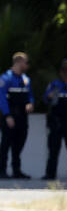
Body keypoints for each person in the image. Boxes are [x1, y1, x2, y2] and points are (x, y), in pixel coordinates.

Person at [0, 51, 34, 179]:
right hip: (9, 116)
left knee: (19, 143)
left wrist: (30, 103)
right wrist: (7, 115)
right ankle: (2, 170)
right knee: (6, 143)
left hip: (22, 117)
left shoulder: (25, 80)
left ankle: (16, 170)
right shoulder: (5, 78)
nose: (27, 65)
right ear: (19, 62)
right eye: (26, 62)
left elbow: (30, 95)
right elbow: (2, 98)